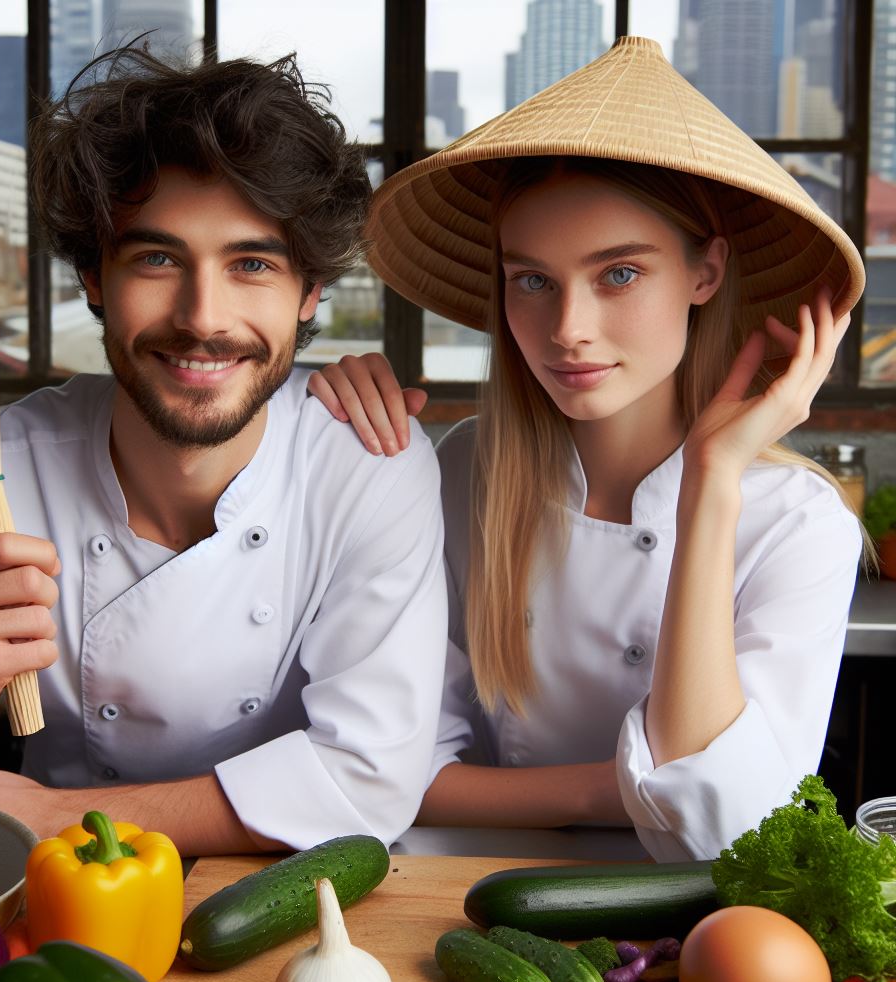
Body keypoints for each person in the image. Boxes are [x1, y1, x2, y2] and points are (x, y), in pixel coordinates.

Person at [0, 46, 448, 856]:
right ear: (94, 277)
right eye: (156, 258)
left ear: (311, 291)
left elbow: (367, 782)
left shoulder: (368, 470)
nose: (202, 317)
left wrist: (60, 817)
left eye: (251, 264)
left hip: (277, 893)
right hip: (59, 893)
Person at [309, 36, 866, 861]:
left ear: (705, 271)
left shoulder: (798, 523)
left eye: (619, 275)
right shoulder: (460, 472)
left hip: (689, 935)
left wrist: (712, 483)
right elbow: (390, 775)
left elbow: (727, 827)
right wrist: (631, 790)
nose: (567, 330)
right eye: (531, 279)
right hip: (454, 903)